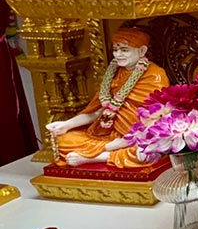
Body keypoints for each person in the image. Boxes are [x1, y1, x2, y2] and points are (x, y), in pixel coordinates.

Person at [46, 27, 169, 168]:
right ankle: (110, 150)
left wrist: (128, 140)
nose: (118, 55)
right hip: (109, 134)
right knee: (64, 140)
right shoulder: (113, 74)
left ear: (142, 51)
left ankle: (97, 157)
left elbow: (160, 116)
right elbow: (99, 111)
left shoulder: (155, 75)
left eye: (124, 50)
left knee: (146, 151)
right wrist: (67, 124)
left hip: (139, 135)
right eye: (115, 50)